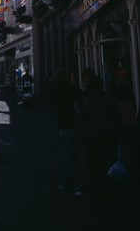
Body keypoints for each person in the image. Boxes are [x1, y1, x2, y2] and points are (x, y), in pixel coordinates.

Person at [80, 75, 122, 197]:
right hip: (109, 135)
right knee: (108, 159)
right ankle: (109, 184)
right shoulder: (111, 100)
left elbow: (83, 121)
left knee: (94, 161)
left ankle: (97, 185)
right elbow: (117, 118)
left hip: (92, 136)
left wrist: (83, 136)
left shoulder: (87, 101)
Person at [51, 69, 82, 198]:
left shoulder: (57, 92)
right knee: (71, 157)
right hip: (70, 126)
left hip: (62, 127)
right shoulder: (72, 91)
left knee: (66, 156)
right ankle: (69, 186)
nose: (74, 79)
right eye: (72, 77)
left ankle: (64, 182)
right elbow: (78, 106)